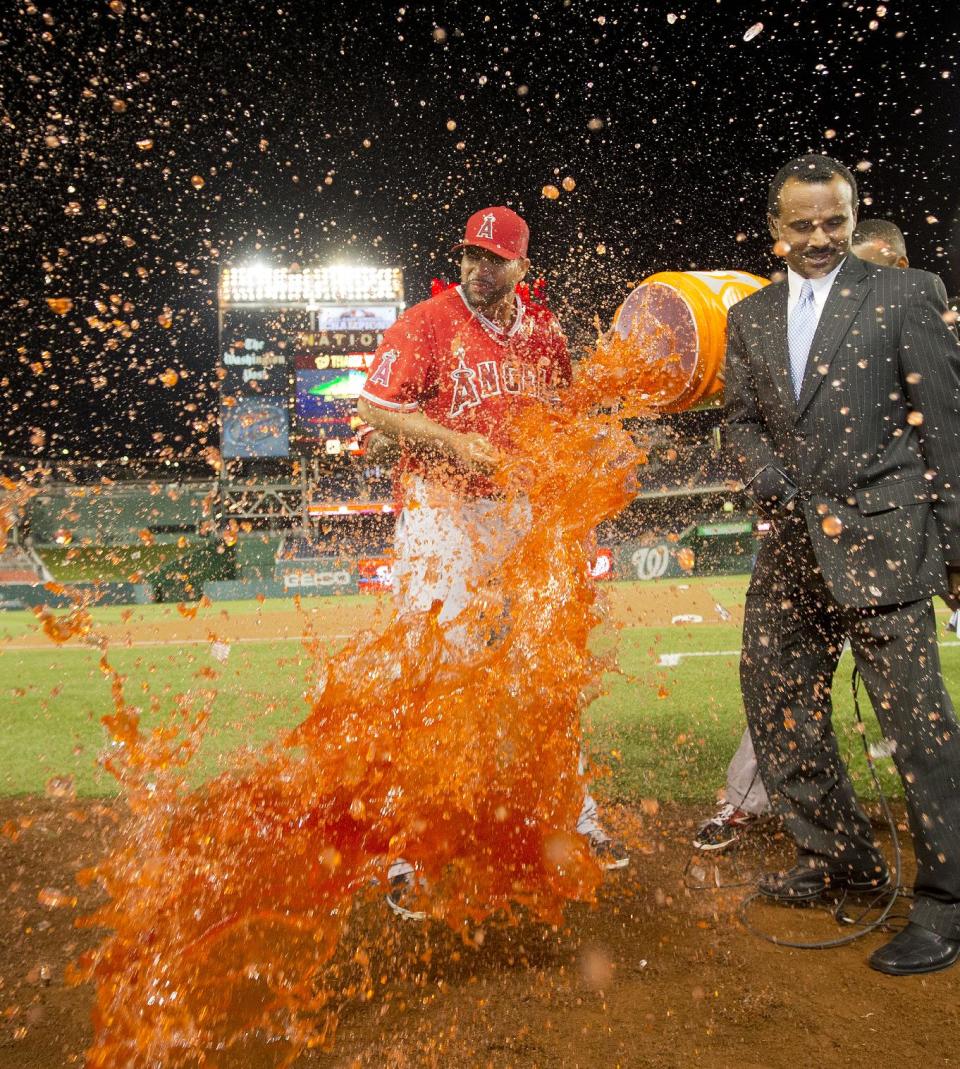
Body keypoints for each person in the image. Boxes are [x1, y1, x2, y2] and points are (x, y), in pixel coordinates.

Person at [357, 205, 628, 920]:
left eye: (495, 258)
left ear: (521, 267)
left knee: (551, 662)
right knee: (438, 670)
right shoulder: (427, 321)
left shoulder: (544, 331)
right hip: (443, 512)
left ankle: (576, 813)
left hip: (522, 514)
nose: (480, 267)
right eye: (472, 254)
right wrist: (449, 441)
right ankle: (411, 844)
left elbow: (564, 415)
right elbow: (375, 408)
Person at [725, 154, 960, 976]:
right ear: (775, 231)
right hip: (792, 552)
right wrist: (765, 475)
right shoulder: (749, 317)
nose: (822, 238)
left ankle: (945, 899)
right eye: (804, 225)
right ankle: (841, 857)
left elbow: (946, 429)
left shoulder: (903, 295)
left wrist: (958, 549)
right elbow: (743, 420)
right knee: (776, 702)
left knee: (918, 727)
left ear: (854, 216)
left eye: (835, 221)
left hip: (886, 546)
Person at [694, 217, 918, 853]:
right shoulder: (792, 321)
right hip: (807, 546)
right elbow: (751, 418)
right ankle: (780, 821)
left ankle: (938, 859)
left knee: (914, 714)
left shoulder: (910, 320)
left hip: (890, 550)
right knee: (780, 687)